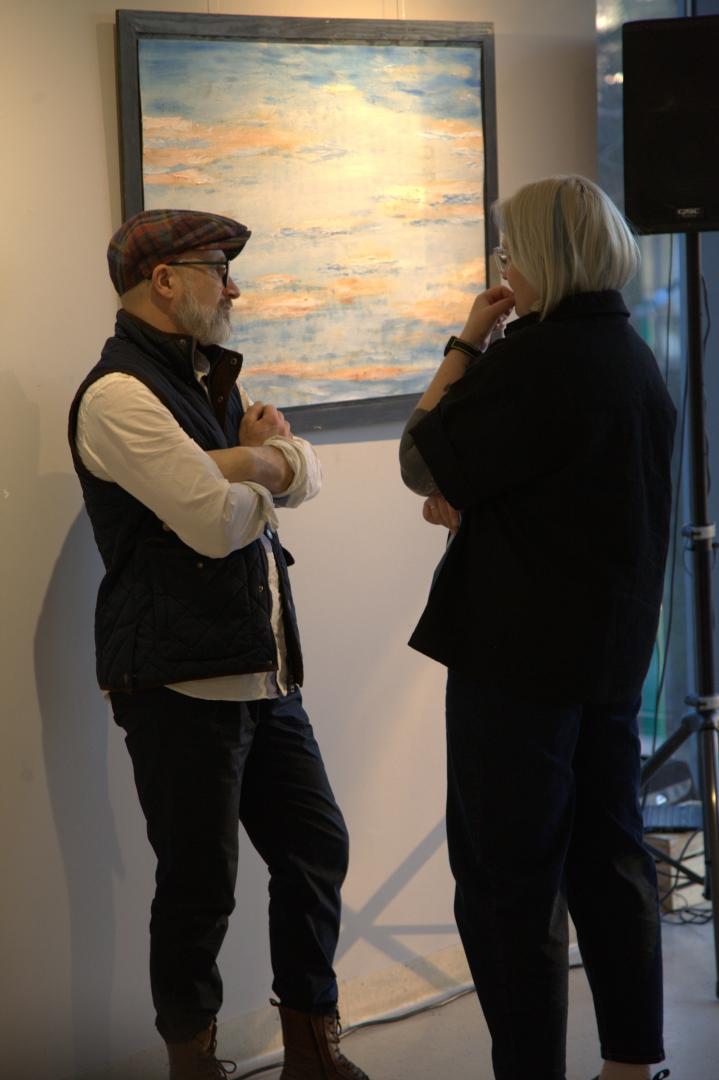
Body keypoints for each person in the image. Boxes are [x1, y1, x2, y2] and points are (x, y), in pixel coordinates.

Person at [69, 208, 369, 1080]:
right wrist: (262, 462)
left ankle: (311, 1051)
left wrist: (251, 462)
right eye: (217, 269)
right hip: (176, 683)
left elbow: (300, 471)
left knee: (316, 849)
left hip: (262, 669)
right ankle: (192, 1064)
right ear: (164, 281)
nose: (235, 288)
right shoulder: (117, 396)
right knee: (199, 890)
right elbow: (211, 524)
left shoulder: (210, 381)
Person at [399, 175, 675, 1080]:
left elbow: (418, 459)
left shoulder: (532, 361)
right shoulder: (632, 358)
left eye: (509, 252)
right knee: (611, 860)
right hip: (609, 655)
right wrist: (480, 506)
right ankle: (631, 1064)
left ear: (543, 259)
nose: (503, 269)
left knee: (506, 885)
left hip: (515, 660)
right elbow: (577, 501)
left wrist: (464, 342)